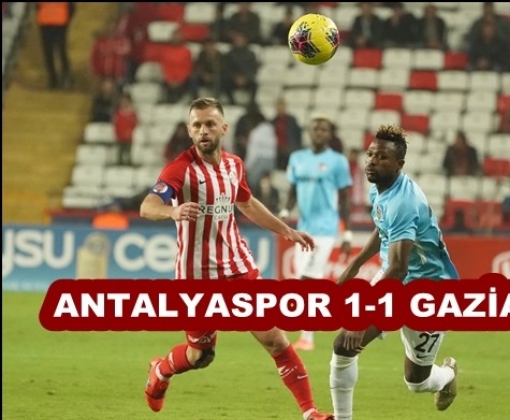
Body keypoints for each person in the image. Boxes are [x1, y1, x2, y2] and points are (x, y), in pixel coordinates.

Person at [139, 97, 334, 420]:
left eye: (210, 124)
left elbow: (246, 203)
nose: (203, 131)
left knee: (275, 340)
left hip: (238, 268)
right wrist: (172, 211)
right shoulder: (179, 169)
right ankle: (161, 370)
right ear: (190, 131)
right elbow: (147, 206)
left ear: (224, 128)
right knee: (202, 355)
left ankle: (310, 412)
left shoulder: (234, 165)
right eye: (197, 125)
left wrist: (287, 230)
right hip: (196, 277)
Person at [329, 124, 459, 420]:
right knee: (344, 345)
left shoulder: (403, 201)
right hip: (396, 280)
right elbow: (383, 228)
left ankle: (448, 375)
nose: (372, 161)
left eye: (382, 157)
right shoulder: (381, 188)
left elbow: (400, 267)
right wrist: (356, 264)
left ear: (399, 164)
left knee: (417, 381)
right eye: (371, 154)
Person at [279, 116, 354, 351]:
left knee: (306, 279)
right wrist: (284, 212)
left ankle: (306, 336)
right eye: (315, 129)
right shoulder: (297, 158)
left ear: (330, 134)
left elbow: (345, 199)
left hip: (325, 229)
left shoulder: (338, 162)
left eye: (324, 129)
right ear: (309, 132)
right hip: (303, 229)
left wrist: (347, 234)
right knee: (306, 280)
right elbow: (293, 189)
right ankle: (309, 333)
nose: (319, 133)